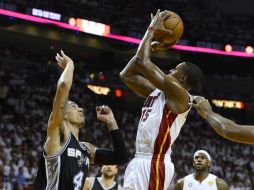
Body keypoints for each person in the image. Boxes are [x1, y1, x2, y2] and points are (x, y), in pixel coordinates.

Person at [120, 10, 203, 190]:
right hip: (139, 160)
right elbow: (127, 75)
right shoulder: (159, 91)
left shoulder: (180, 95)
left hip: (155, 163)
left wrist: (151, 31)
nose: (170, 71)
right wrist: (149, 46)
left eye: (174, 70)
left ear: (182, 79)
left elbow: (142, 62)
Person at [33, 51, 128, 190]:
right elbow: (64, 85)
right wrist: (70, 65)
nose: (81, 109)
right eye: (73, 106)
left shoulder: (86, 149)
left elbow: (121, 158)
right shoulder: (57, 136)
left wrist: (111, 122)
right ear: (63, 115)